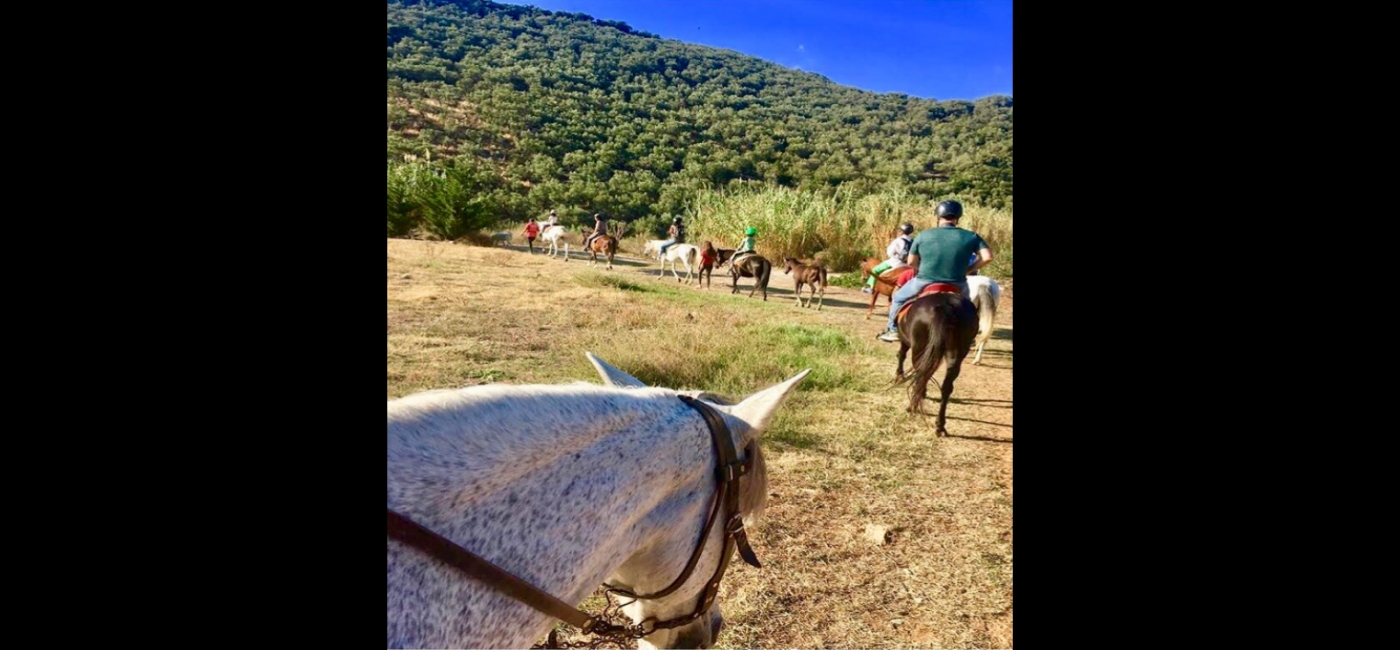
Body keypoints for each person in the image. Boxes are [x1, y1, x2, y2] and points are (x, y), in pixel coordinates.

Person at [877, 200, 993, 342]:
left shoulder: (923, 235)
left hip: (925, 280)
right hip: (958, 282)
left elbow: (911, 262)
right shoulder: (972, 236)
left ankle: (893, 330)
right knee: (968, 307)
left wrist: (925, 269)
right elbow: (988, 257)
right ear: (958, 217)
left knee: (898, 298)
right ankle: (969, 335)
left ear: (938, 217)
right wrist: (969, 269)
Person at [863, 222, 916, 294]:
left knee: (875, 270)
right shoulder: (913, 241)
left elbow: (889, 252)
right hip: (909, 264)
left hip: (895, 262)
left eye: (899, 230)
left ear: (901, 231)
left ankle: (870, 288)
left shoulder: (898, 240)